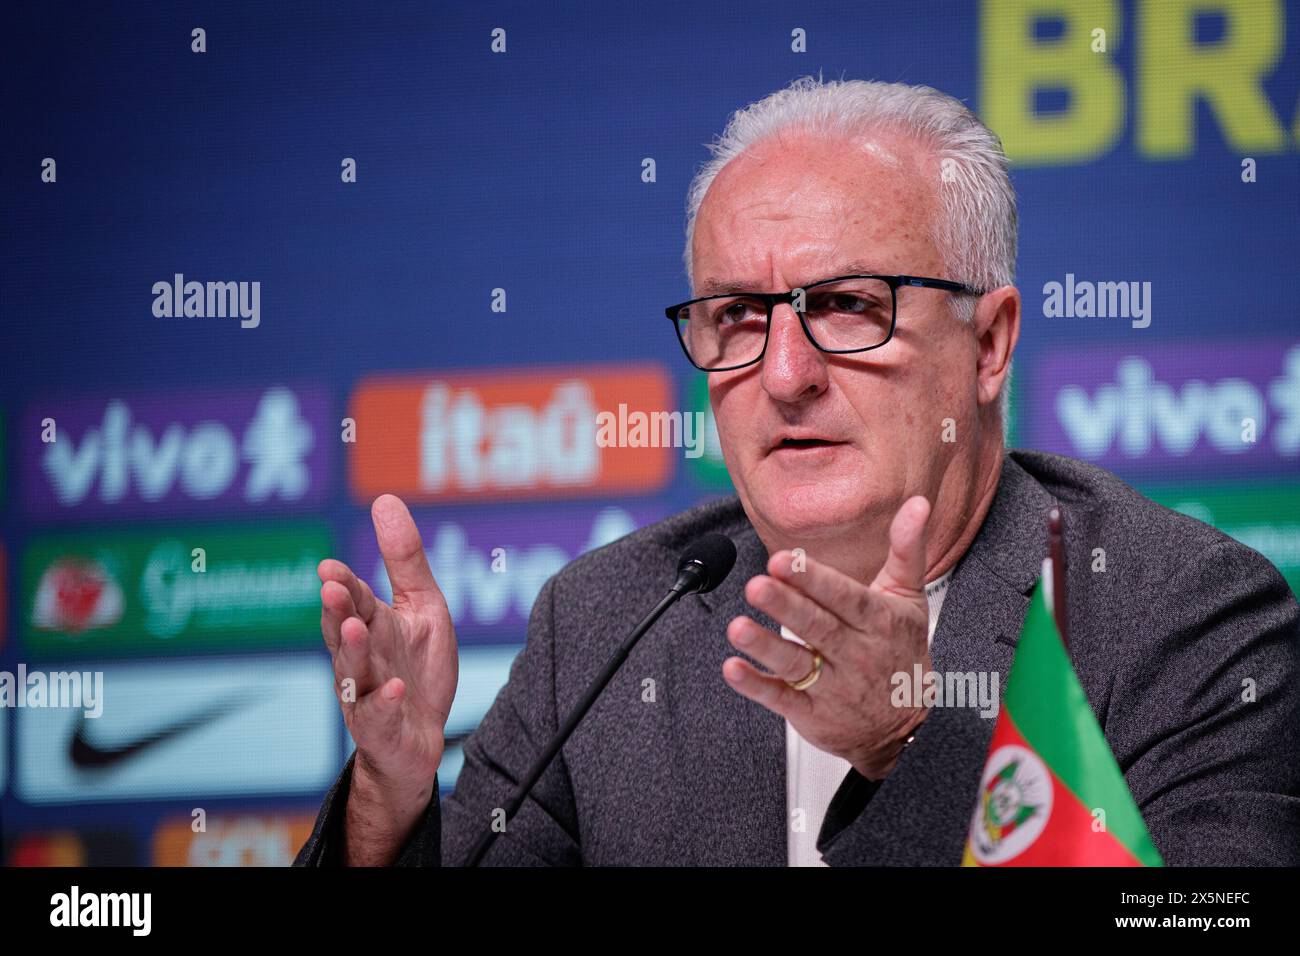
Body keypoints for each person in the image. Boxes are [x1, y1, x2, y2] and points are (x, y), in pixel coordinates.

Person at [295, 76, 1300, 867]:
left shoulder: (1178, 615)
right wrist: (392, 802)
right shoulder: (606, 623)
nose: (784, 374)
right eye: (735, 315)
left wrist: (908, 749)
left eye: (851, 304)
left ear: (989, 343)